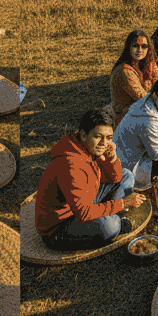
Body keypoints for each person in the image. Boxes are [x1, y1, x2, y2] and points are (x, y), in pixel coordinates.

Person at [34, 107, 144, 250]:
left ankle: (108, 216)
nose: (104, 143)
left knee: (126, 175)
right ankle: (110, 223)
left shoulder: (87, 148)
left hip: (84, 201)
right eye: (98, 136)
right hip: (60, 226)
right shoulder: (71, 164)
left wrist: (112, 159)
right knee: (111, 226)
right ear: (84, 135)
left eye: (109, 137)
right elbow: (83, 213)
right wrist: (122, 203)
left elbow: (115, 179)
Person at [111, 30, 158, 124]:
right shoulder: (124, 71)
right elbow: (142, 98)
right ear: (128, 47)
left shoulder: (149, 62)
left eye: (144, 46)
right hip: (127, 116)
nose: (140, 50)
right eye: (135, 46)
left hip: (147, 107)